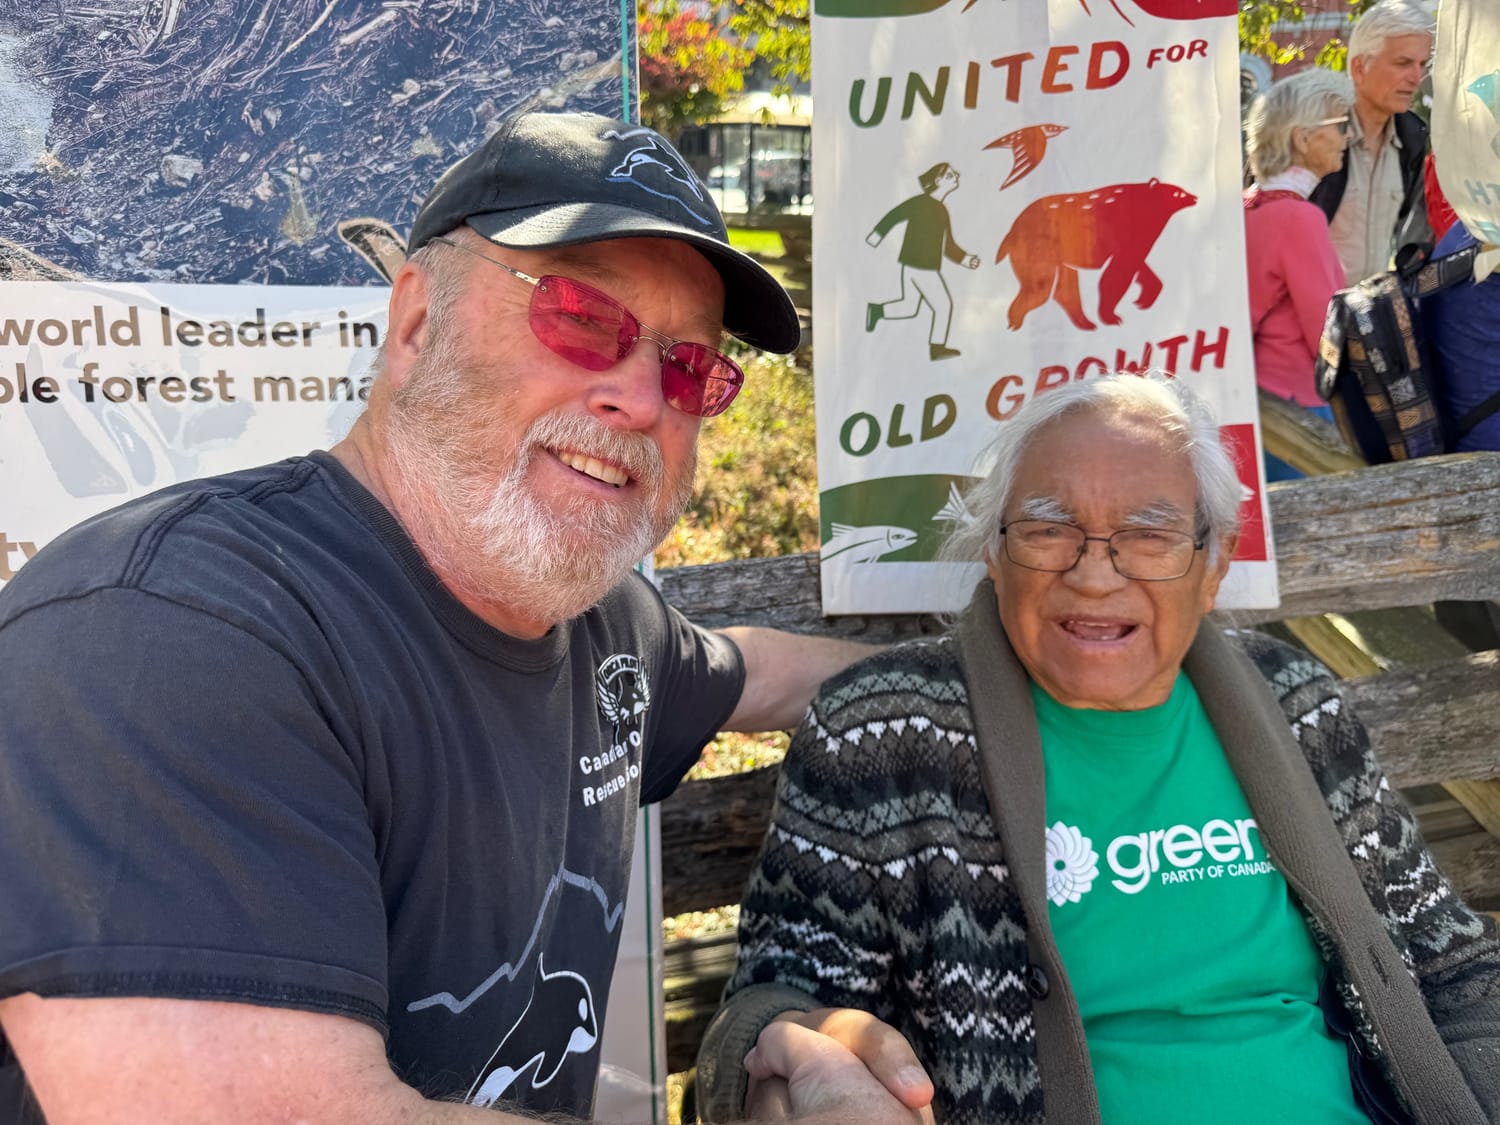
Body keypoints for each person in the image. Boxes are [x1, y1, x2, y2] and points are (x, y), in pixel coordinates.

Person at [0, 112, 901, 1125]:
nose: (643, 398)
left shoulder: (601, 628)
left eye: (693, 369)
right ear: (417, 323)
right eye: (581, 317)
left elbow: (755, 670)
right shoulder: (168, 637)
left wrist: (990, 682)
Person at [698, 374, 1500, 1124]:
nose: (1092, 575)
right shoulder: (879, 731)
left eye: (1148, 535)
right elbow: (772, 1005)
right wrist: (791, 1071)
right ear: (992, 550)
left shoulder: (1294, 699)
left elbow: (1452, 965)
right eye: (1049, 530)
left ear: (1212, 563)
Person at [1242, 69, 1352, 482]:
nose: (1348, 137)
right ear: (1303, 139)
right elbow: (1327, 333)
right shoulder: (1299, 218)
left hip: (1249, 405)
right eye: (1340, 126)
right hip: (1295, 413)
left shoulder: (1246, 207)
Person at [1310, 0, 1435, 285]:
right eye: (1403, 63)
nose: (1417, 77)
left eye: (1422, 64)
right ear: (1358, 68)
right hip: (1305, 322)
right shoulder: (1311, 133)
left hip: (1367, 320)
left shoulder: (1413, 137)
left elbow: (1409, 236)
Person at [864, 162, 982, 362]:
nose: (956, 177)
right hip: (921, 267)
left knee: (909, 307)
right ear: (938, 181)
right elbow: (894, 216)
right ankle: (937, 349)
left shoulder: (941, 210)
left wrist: (965, 259)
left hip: (913, 265)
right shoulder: (920, 203)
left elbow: (948, 245)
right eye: (950, 175)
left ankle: (876, 311)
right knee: (943, 305)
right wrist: (875, 237)